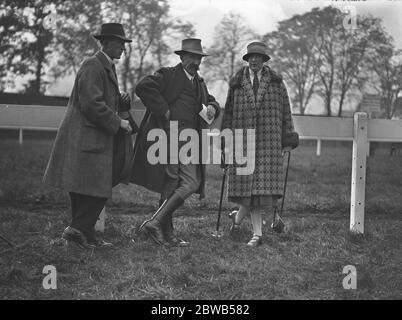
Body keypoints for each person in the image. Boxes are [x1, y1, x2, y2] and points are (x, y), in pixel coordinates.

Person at [43, 23, 137, 249]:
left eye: (124, 44)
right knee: (97, 187)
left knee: (85, 188)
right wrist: (119, 122)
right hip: (86, 138)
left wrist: (118, 101)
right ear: (106, 42)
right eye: (120, 43)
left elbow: (98, 100)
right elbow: (91, 105)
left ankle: (85, 235)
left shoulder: (104, 66)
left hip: (91, 138)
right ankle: (75, 231)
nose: (123, 48)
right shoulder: (93, 65)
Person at [132, 38, 220, 247]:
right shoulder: (168, 75)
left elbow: (211, 100)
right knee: (171, 183)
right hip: (168, 135)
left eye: (198, 58)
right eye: (191, 57)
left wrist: (213, 108)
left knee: (191, 183)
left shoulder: (199, 82)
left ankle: (154, 223)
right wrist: (163, 109)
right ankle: (167, 233)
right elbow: (143, 87)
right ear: (181, 57)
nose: (195, 61)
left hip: (190, 139)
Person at [221, 41, 299, 247]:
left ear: (264, 60)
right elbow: (228, 113)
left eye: (258, 57)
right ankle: (254, 232)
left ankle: (242, 224)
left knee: (258, 192)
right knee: (249, 191)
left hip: (268, 144)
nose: (254, 60)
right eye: (251, 57)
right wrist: (226, 142)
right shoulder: (236, 84)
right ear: (247, 60)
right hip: (243, 142)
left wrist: (288, 140)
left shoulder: (277, 84)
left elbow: (286, 112)